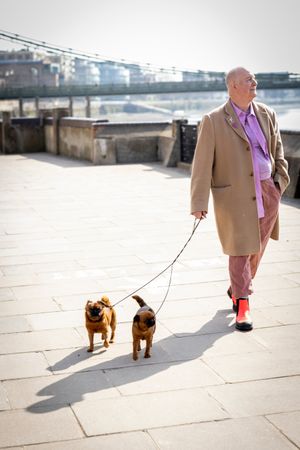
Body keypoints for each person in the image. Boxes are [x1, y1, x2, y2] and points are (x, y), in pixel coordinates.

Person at [190, 67, 290, 331]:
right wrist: (198, 203)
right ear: (234, 85)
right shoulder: (213, 120)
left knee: (256, 247)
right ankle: (243, 305)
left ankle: (237, 288)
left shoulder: (267, 113)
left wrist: (279, 181)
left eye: (254, 78)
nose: (255, 82)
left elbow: (277, 149)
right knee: (240, 248)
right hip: (234, 196)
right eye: (249, 79)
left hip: (268, 190)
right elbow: (202, 165)